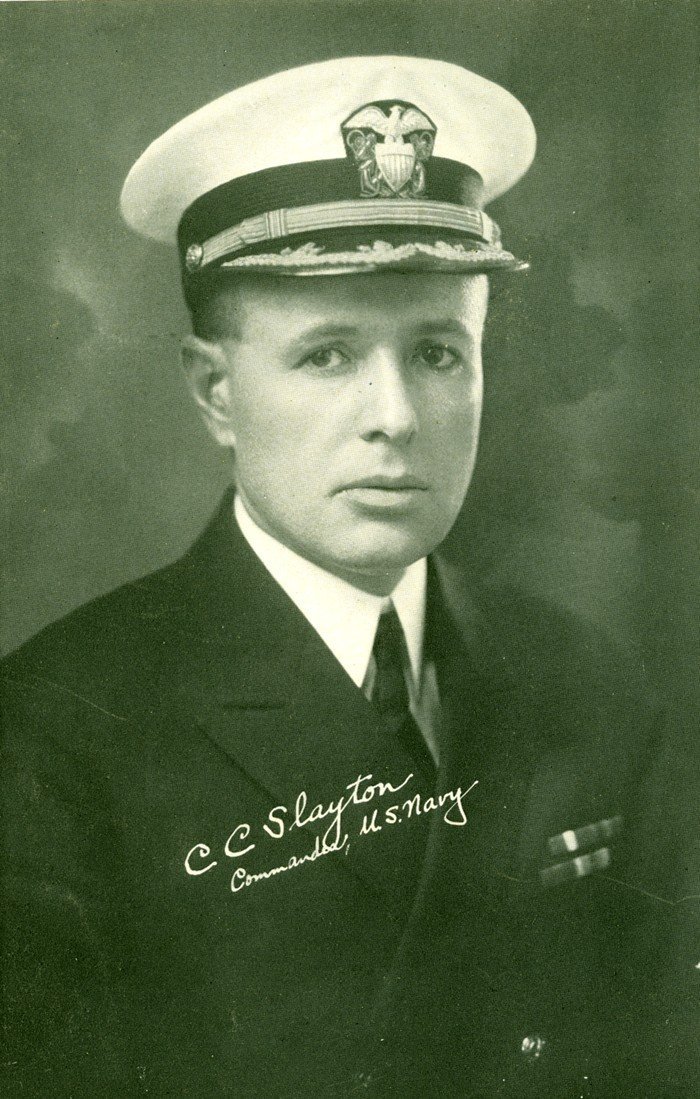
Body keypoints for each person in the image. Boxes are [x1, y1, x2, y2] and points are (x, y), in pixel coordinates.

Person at [1, 56, 681, 1097]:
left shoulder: (588, 682)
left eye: (438, 353)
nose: (395, 417)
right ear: (216, 392)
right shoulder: (57, 731)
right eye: (327, 355)